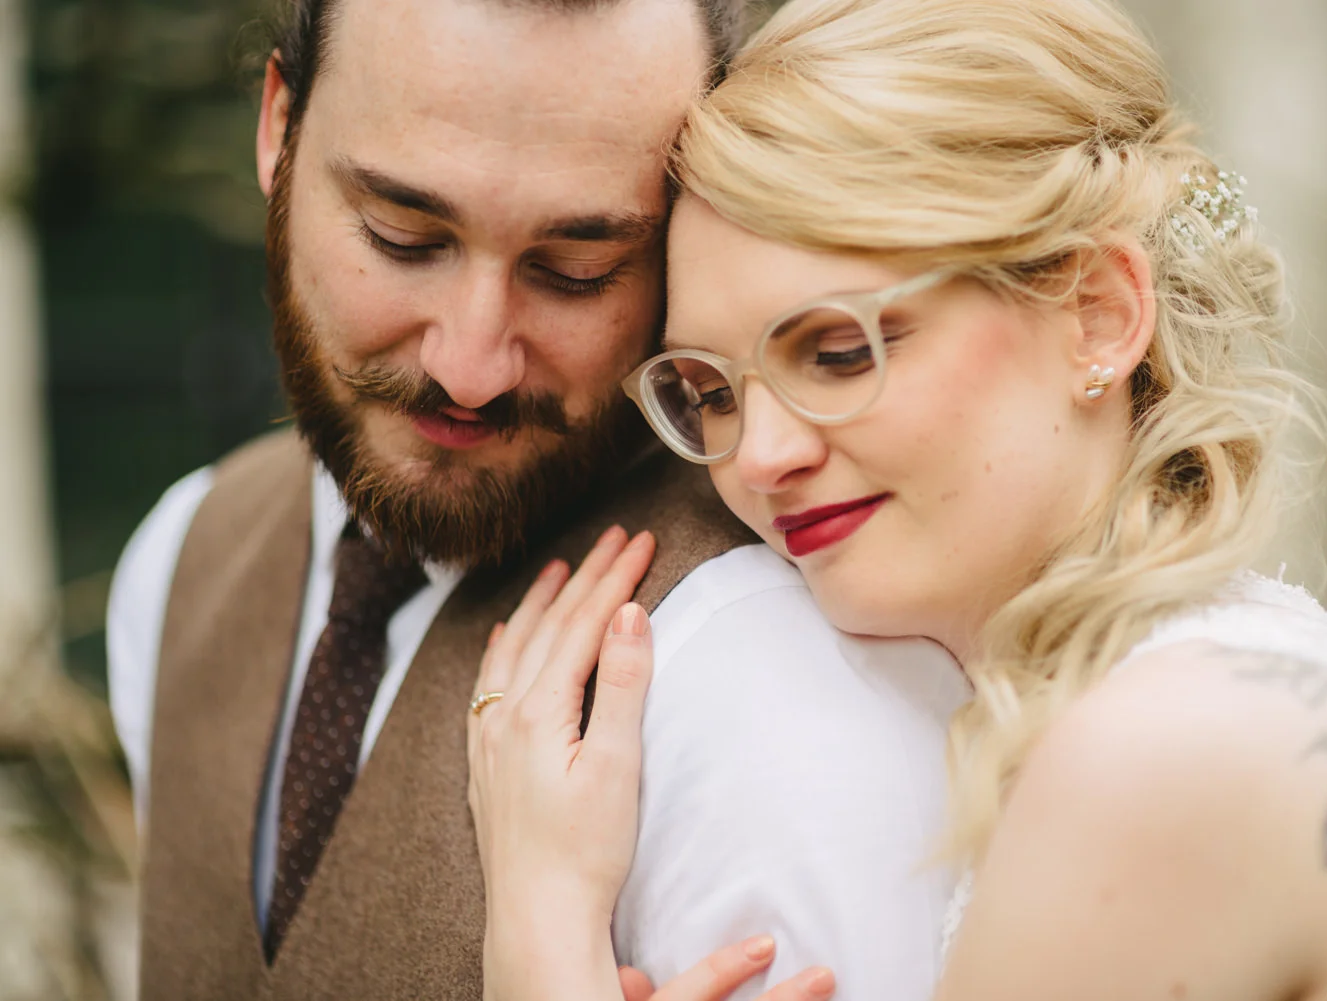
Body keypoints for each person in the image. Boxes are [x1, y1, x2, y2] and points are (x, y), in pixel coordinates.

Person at [465, 0, 1327, 998]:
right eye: (714, 393)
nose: (760, 457)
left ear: (1097, 313)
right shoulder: (1179, 692)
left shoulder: (1158, 753)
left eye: (836, 351)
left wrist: (544, 931)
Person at [105, 0, 971, 997]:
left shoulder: (762, 682)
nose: (471, 365)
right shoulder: (178, 559)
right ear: (278, 132)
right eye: (402, 237)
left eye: (574, 271)